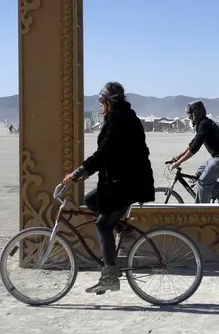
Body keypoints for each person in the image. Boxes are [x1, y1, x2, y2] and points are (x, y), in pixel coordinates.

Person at [62, 81, 155, 294]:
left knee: (103, 224)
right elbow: (108, 155)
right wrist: (84, 172)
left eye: (102, 100)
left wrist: (78, 173)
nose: (100, 103)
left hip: (128, 184)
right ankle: (124, 229)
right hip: (122, 182)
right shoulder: (120, 117)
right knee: (90, 200)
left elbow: (104, 153)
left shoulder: (119, 121)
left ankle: (111, 275)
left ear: (109, 101)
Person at [171, 100, 219, 203]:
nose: (189, 117)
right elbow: (193, 143)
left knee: (203, 181)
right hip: (218, 156)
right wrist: (178, 156)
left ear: (196, 113)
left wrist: (180, 162)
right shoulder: (202, 124)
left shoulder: (205, 124)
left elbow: (194, 148)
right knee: (199, 173)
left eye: (190, 114)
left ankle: (204, 210)